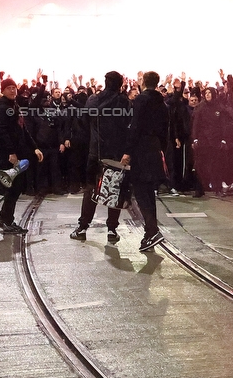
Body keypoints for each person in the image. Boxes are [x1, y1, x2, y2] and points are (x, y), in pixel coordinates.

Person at [69, 71, 130, 242]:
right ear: (120, 84)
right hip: (116, 154)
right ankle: (111, 230)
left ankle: (82, 227)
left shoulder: (93, 99)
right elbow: (128, 126)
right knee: (115, 190)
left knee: (91, 190)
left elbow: (83, 122)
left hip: (96, 152)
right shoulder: (123, 102)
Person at [121, 71, 169, 252]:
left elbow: (136, 126)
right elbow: (166, 130)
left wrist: (128, 150)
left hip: (141, 150)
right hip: (155, 149)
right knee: (149, 193)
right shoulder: (162, 103)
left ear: (143, 82)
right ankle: (150, 233)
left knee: (141, 192)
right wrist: (161, 149)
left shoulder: (141, 100)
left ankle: (153, 230)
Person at [0, 77, 43, 233]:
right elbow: (1, 133)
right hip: (7, 155)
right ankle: (7, 221)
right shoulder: (1, 109)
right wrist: (11, 153)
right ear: (3, 90)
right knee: (13, 188)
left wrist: (34, 147)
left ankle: (2, 218)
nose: (13, 90)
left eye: (14, 87)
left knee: (16, 186)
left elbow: (23, 130)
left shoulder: (14, 105)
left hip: (18, 153)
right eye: (9, 88)